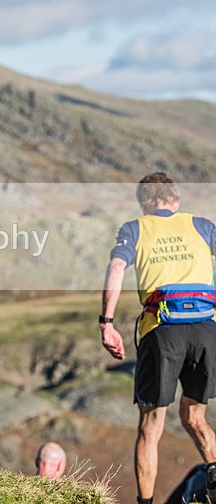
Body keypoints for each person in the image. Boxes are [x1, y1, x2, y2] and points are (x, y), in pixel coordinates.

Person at [99, 172, 216, 504]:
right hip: (207, 328)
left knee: (151, 425)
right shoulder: (203, 225)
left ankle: (146, 503)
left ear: (143, 203)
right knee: (194, 416)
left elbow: (116, 268)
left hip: (161, 329)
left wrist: (107, 321)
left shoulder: (135, 229)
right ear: (176, 201)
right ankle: (215, 471)